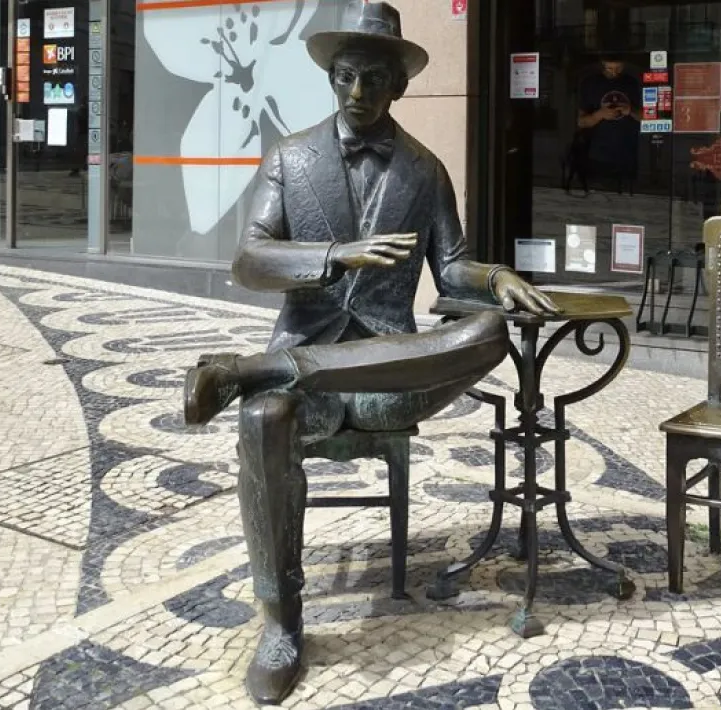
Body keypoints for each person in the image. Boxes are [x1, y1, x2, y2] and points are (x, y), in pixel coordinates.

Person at [182, 2, 559, 703]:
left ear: (399, 87)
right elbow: (249, 259)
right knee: (263, 422)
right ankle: (282, 625)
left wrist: (498, 276)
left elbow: (453, 271)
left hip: (391, 374)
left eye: (375, 80)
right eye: (348, 77)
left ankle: (256, 372)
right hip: (311, 362)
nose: (360, 92)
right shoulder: (290, 158)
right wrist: (335, 255)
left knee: (487, 331)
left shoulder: (425, 169)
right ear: (331, 77)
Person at [576, 55, 641, 192]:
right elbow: (581, 122)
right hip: (598, 156)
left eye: (618, 68)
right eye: (610, 68)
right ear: (602, 64)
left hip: (627, 155)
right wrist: (600, 114)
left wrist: (630, 110)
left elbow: (648, 117)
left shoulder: (631, 83)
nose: (614, 72)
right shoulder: (590, 83)